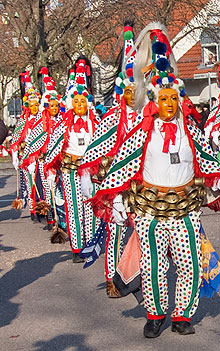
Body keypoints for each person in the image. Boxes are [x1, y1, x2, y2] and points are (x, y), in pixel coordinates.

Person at [90, 23, 220, 338]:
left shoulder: (191, 129)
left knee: (189, 265)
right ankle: (155, 315)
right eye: (164, 99)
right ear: (156, 101)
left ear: (179, 99)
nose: (169, 105)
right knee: (154, 265)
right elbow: (124, 164)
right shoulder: (142, 131)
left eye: (174, 99)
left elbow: (206, 160)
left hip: (185, 208)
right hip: (148, 210)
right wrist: (117, 199)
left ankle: (183, 316)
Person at [78, 21, 138, 297]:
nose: (131, 94)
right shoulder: (112, 117)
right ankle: (112, 277)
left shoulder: (148, 117)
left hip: (142, 185)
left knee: (144, 231)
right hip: (116, 184)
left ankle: (141, 275)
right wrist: (89, 174)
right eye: (127, 89)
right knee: (115, 232)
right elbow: (95, 148)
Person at [44, 56, 100, 263]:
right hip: (69, 170)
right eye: (75, 101)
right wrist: (50, 170)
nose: (79, 104)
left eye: (82, 100)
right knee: (74, 208)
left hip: (90, 170)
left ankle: (90, 243)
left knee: (90, 208)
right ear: (71, 103)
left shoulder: (96, 122)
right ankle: (77, 247)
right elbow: (53, 148)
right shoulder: (64, 124)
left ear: (87, 102)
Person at [20, 67, 62, 230]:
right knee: (46, 188)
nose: (54, 109)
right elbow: (31, 140)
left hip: (59, 162)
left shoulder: (61, 120)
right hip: (43, 161)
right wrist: (28, 156)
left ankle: (60, 218)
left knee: (58, 191)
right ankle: (49, 217)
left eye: (56, 105)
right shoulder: (40, 123)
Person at [11, 72, 42, 220]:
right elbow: (16, 140)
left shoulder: (43, 120)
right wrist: (15, 157)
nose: (35, 107)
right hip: (27, 157)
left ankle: (43, 208)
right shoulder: (23, 121)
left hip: (40, 157)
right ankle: (32, 209)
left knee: (42, 184)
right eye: (32, 104)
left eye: (37, 104)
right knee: (30, 184)